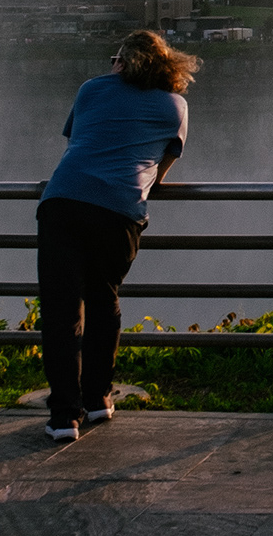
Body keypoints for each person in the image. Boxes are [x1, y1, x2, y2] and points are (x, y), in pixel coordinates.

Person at [37, 29, 197, 442]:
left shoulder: (91, 90)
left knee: (61, 311)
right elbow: (160, 168)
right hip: (118, 212)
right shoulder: (175, 106)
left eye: (114, 59)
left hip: (64, 201)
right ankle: (98, 399)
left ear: (122, 62)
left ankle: (63, 417)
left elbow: (77, 143)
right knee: (103, 300)